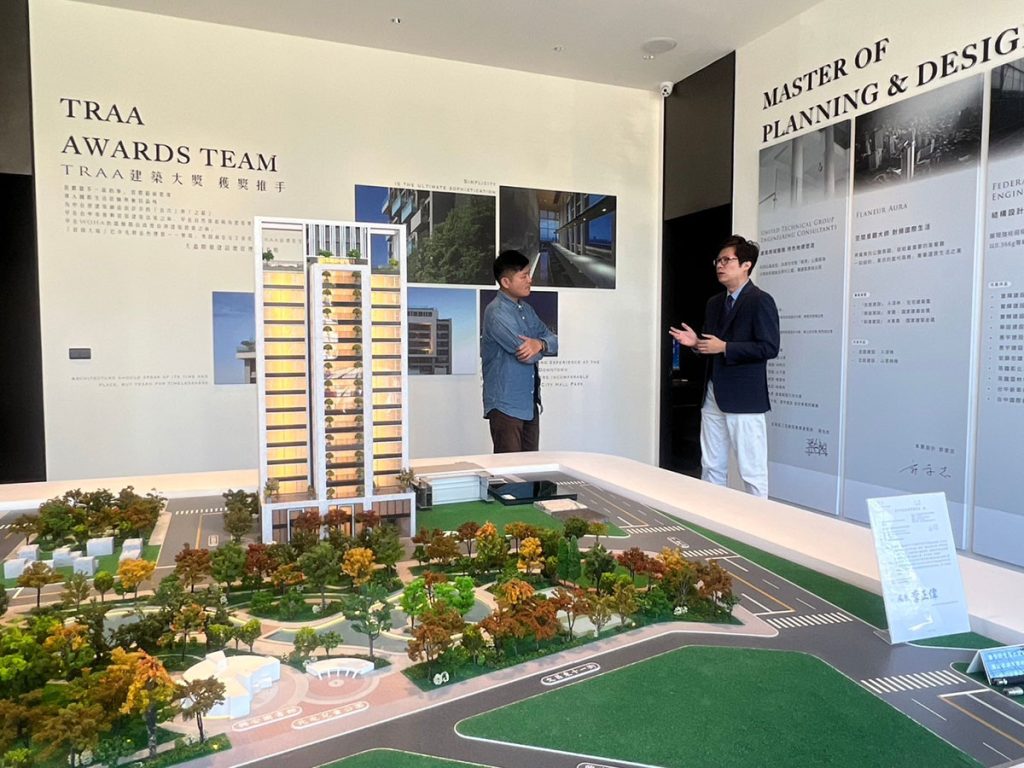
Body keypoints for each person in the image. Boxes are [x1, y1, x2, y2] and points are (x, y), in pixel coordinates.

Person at [669, 235, 780, 498]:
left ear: (746, 265)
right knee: (711, 466)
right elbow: (711, 346)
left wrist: (726, 347)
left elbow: (769, 347)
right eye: (718, 261)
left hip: (745, 399)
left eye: (727, 260)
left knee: (752, 471)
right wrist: (696, 343)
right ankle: (713, 516)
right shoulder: (714, 303)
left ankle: (758, 521)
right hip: (712, 394)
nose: (720, 265)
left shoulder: (760, 300)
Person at [481, 250, 558, 453]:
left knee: (530, 467)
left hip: (528, 404)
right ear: (506, 282)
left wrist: (540, 344)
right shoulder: (496, 313)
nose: (530, 280)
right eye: (524, 276)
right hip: (506, 406)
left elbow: (554, 341)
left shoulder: (527, 310)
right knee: (510, 469)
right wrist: (540, 346)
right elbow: (525, 355)